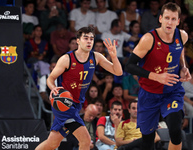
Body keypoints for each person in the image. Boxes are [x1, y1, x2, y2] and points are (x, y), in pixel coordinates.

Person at [35, 26, 123, 150]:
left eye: (91, 39)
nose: (89, 41)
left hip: (76, 105)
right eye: (85, 38)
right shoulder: (67, 59)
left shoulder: (96, 57)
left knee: (52, 143)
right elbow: (51, 78)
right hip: (64, 104)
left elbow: (118, 72)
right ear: (78, 41)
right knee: (86, 141)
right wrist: (53, 88)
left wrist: (114, 56)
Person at [125, 2, 191, 150]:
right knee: (148, 140)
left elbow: (180, 51)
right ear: (160, 18)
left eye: (174, 19)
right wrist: (156, 76)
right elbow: (129, 66)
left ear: (178, 21)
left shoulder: (182, 36)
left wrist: (183, 67)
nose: (170, 22)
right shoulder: (149, 39)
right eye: (167, 18)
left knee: (175, 131)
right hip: (149, 94)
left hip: (171, 91)